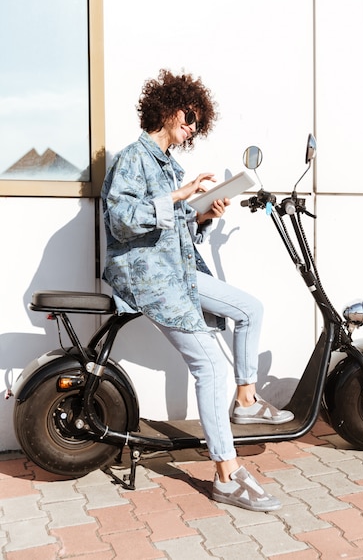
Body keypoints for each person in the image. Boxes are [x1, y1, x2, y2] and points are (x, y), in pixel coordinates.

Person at [101, 69, 294, 512]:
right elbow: (121, 221)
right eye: (188, 117)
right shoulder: (135, 157)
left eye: (197, 124)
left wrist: (205, 214)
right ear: (167, 109)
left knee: (249, 309)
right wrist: (180, 196)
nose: (191, 128)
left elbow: (179, 231)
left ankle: (246, 400)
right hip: (147, 273)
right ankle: (227, 475)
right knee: (210, 363)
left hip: (177, 268)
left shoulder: (172, 166)